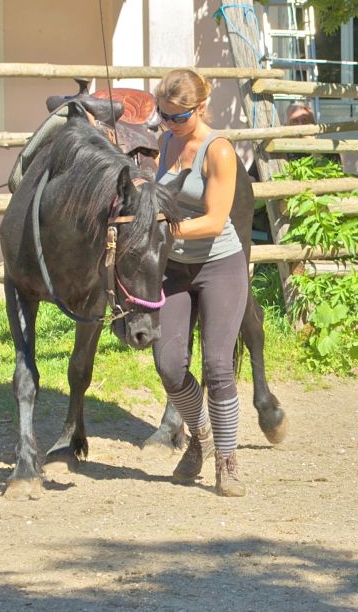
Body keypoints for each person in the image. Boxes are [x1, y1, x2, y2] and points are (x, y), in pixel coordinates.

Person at [153, 68, 248, 497]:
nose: (169, 124)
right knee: (169, 367)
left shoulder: (219, 151)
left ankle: (227, 461)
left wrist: (161, 226)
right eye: (163, 115)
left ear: (201, 108)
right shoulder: (166, 141)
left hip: (219, 265)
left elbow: (214, 220)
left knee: (217, 366)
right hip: (175, 269)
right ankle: (201, 437)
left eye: (179, 117)